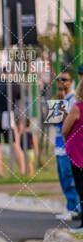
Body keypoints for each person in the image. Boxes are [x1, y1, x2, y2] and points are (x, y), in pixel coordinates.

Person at [54, 71, 81, 221]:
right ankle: (70, 207)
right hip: (58, 144)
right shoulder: (59, 98)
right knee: (63, 178)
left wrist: (63, 106)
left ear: (71, 81)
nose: (61, 82)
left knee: (69, 177)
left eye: (64, 79)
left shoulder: (73, 99)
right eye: (59, 79)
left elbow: (69, 124)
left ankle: (75, 209)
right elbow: (54, 121)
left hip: (68, 146)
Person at [62, 79, 83, 232]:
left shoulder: (77, 108)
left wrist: (67, 141)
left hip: (78, 153)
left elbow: (64, 129)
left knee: (80, 188)